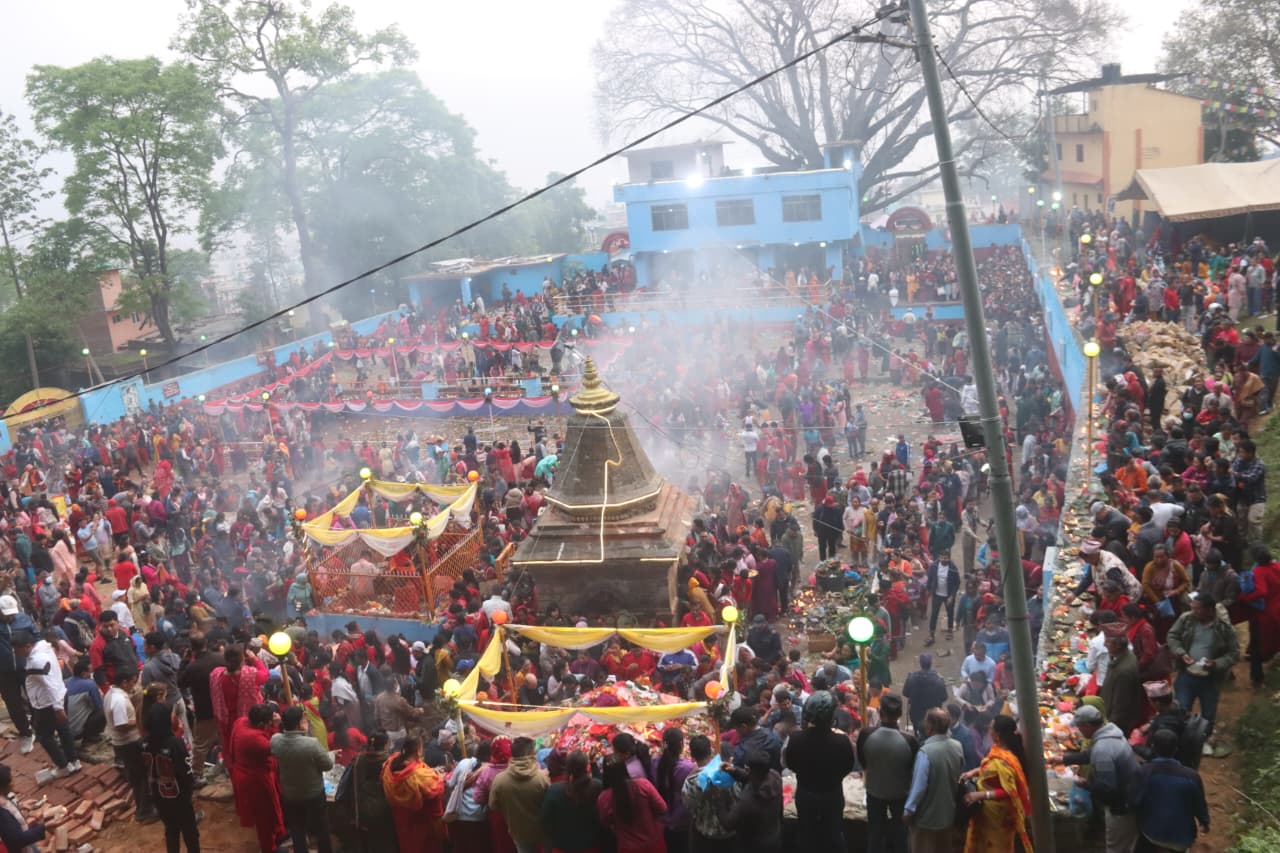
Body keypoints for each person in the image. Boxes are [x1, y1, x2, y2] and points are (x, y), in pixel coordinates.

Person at [784, 690, 856, 853]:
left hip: (806, 794)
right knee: (833, 833)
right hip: (832, 794)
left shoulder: (796, 739)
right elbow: (848, 766)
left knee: (806, 834)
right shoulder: (841, 741)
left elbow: (791, 764)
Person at [1165, 594, 1239, 745]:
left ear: (1210, 611)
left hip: (1210, 679)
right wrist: (1181, 653)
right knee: (1182, 710)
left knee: (1208, 715)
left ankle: (1203, 741)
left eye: (1197, 610)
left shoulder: (1224, 628)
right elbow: (1172, 636)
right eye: (1192, 608)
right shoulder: (1186, 619)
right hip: (1187, 675)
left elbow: (1234, 653)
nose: (1194, 612)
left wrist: (1217, 663)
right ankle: (1182, 741)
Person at [1129, 729, 1210, 852]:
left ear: (1153, 748)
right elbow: (1199, 804)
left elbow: (1134, 801)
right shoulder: (1192, 776)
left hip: (1152, 833)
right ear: (1176, 749)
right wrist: (1204, 822)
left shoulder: (1144, 771)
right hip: (1182, 838)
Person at [959, 714, 1031, 853]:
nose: (988, 729)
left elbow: (1009, 792)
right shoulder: (999, 751)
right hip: (987, 814)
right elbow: (991, 769)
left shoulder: (1005, 761)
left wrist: (980, 795)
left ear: (997, 734)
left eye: (991, 728)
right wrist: (974, 772)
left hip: (998, 818)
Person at [1074, 703, 1139, 853]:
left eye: (1079, 726)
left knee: (1116, 848)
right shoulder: (1111, 733)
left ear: (1087, 725)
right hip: (1131, 797)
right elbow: (1090, 755)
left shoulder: (1103, 749)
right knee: (1126, 843)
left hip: (1121, 807)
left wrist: (1087, 785)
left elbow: (1107, 789)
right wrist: (1063, 759)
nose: (1079, 730)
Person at [856, 693, 917, 853]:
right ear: (899, 714)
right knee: (900, 835)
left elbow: (863, 762)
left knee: (875, 834)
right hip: (900, 793)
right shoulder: (909, 741)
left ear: (880, 712)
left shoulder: (866, 734)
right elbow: (912, 768)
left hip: (874, 791)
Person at [13, 630, 79, 777]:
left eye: (16, 648)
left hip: (47, 703)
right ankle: (73, 761)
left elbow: (49, 684)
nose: (15, 652)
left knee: (44, 736)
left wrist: (57, 707)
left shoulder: (37, 661)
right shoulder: (45, 648)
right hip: (60, 695)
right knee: (63, 729)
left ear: (27, 646)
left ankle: (63, 765)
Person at [271, 704, 335, 853]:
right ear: (298, 723)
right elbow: (327, 765)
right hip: (313, 793)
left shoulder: (276, 740)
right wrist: (330, 755)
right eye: (303, 719)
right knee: (322, 829)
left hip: (290, 794)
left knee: (298, 830)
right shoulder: (310, 744)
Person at [141, 701, 201, 853]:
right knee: (190, 832)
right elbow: (187, 774)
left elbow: (142, 770)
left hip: (158, 796)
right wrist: (189, 791)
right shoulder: (175, 743)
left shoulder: (143, 743)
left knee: (171, 830)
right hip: (179, 796)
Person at [904, 708, 963, 853]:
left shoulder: (926, 752)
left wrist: (908, 811)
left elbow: (919, 788)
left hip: (926, 820)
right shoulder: (957, 746)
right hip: (948, 815)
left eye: (926, 722)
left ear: (930, 726)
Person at [230, 704, 286, 853]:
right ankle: (270, 848)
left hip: (250, 773)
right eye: (269, 723)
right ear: (261, 724)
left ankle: (278, 834)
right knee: (265, 817)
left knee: (271, 811)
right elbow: (276, 746)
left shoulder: (241, 722)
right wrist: (277, 726)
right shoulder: (256, 739)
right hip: (255, 781)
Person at [106, 669, 158, 823]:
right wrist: (139, 721)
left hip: (123, 743)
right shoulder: (119, 700)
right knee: (140, 777)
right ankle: (144, 812)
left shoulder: (112, 694)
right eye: (132, 682)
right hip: (128, 742)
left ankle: (145, 805)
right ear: (124, 682)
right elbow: (121, 724)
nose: (133, 685)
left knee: (137, 776)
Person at [381, 735, 447, 853]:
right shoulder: (418, 776)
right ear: (419, 750)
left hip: (401, 819)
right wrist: (440, 777)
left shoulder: (389, 765)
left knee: (407, 846)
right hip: (421, 823)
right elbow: (437, 789)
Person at [489, 736, 549, 853]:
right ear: (532, 753)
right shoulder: (543, 779)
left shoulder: (499, 780)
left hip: (518, 832)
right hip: (542, 831)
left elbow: (493, 805)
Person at [598, 754, 668, 853]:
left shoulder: (604, 798)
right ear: (625, 768)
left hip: (628, 847)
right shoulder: (643, 785)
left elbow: (606, 823)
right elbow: (663, 808)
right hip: (654, 844)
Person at [681, 734, 739, 853]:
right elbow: (738, 798)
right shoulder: (729, 773)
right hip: (730, 834)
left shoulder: (690, 782)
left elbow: (689, 807)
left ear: (692, 756)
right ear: (711, 751)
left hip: (705, 836)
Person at [717, 750, 782, 853]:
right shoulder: (775, 776)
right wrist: (734, 771)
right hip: (773, 836)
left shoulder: (748, 801)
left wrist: (719, 798)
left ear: (748, 770)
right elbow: (753, 777)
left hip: (752, 845)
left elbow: (728, 823)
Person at [539, 749, 603, 853]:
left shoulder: (555, 790)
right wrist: (594, 764)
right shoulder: (597, 786)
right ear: (587, 767)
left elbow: (545, 821)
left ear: (567, 768)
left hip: (562, 846)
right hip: (590, 845)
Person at [349, 731, 397, 853]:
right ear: (386, 745)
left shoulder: (359, 760)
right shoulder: (390, 761)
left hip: (364, 810)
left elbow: (354, 786)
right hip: (386, 811)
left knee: (371, 843)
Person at [0, 595, 34, 756]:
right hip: (4, 672)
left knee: (34, 698)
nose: (11, 617)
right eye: (7, 614)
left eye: (12, 613)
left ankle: (40, 729)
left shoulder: (24, 619)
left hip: (25, 667)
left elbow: (37, 636)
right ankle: (26, 733)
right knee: (13, 704)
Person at [653, 727, 696, 853]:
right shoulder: (689, 768)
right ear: (681, 745)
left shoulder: (654, 762)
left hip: (661, 819)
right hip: (682, 821)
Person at [1100, 635, 1143, 735]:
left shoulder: (1123, 671)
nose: (1104, 645)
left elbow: (1120, 706)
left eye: (1108, 642)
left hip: (1116, 724)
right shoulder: (1126, 656)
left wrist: (1107, 727)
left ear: (1118, 645)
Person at [0, 763, 47, 853]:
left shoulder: (4, 800)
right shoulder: (2, 814)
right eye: (11, 781)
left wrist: (19, 805)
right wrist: (44, 827)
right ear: (4, 786)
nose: (14, 783)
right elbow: (17, 840)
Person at [902, 653, 949, 735]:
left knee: (917, 732)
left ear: (920, 663)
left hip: (916, 714)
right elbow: (944, 697)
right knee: (933, 732)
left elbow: (905, 693)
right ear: (931, 664)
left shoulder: (911, 678)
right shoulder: (938, 680)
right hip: (933, 715)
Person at [925, 554, 961, 646]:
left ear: (949, 558)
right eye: (942, 557)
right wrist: (928, 590)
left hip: (948, 595)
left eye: (945, 558)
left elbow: (957, 583)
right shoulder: (934, 566)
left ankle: (950, 630)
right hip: (937, 594)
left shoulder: (953, 568)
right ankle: (931, 633)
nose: (943, 560)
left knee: (950, 613)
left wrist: (952, 596)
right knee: (934, 614)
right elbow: (930, 578)